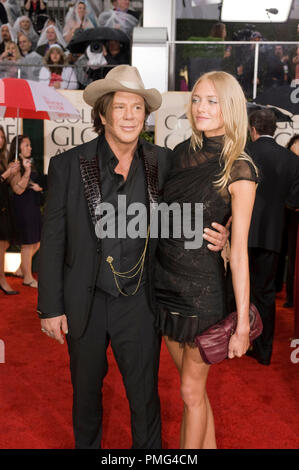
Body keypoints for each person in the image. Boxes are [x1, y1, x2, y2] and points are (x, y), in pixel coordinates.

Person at [37, 64, 229, 449]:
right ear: (103, 113)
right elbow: (53, 240)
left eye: (137, 108)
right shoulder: (67, 166)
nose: (129, 116)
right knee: (85, 397)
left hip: (141, 301)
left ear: (146, 115)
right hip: (84, 301)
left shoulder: (163, 160)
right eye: (121, 107)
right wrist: (49, 308)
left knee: (144, 399)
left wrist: (223, 233)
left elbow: (199, 204)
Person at [154, 71, 257, 449]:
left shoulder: (240, 168)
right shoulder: (180, 154)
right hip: (164, 283)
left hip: (202, 295)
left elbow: (241, 250)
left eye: (212, 101)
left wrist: (243, 324)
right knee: (194, 393)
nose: (201, 108)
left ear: (230, 107)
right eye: (196, 99)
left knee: (189, 391)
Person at [247, 110, 299, 365]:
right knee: (265, 293)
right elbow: (294, 200)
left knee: (238, 291)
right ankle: (263, 351)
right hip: (272, 234)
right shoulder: (291, 160)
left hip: (241, 232)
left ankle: (237, 340)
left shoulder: (244, 153)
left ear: (252, 129)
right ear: (275, 129)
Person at [8, 135, 43, 288]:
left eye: (30, 145)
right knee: (28, 244)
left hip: (33, 205)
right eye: (26, 145)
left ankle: (20, 270)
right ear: (18, 148)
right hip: (22, 207)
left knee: (37, 242)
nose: (30, 148)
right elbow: (18, 190)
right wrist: (27, 171)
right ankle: (27, 278)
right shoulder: (14, 165)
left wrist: (37, 187)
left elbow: (28, 185)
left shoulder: (28, 162)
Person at [0, 125, 19, 295]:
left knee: (4, 243)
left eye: (1, 137)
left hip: (4, 205)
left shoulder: (2, 158)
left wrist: (13, 171)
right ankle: (2, 280)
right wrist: (7, 173)